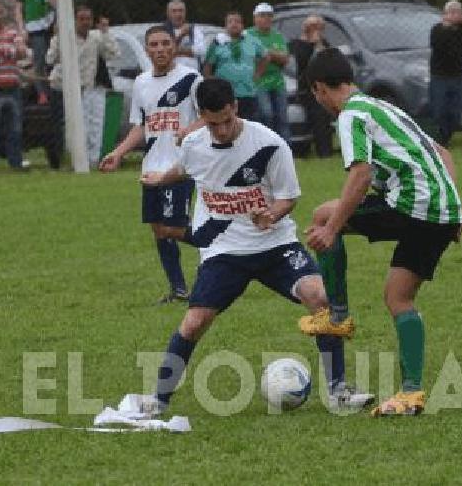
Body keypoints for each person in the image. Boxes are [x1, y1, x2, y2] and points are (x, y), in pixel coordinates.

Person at [133, 78, 374, 415]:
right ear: (201, 116)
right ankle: (158, 400)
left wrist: (271, 214)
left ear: (236, 107)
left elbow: (288, 196)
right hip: (224, 251)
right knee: (194, 322)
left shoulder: (269, 144)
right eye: (212, 123)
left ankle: (338, 391)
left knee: (321, 298)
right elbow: (185, 169)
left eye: (226, 121)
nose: (220, 131)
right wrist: (161, 178)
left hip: (274, 245)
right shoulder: (193, 144)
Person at [300, 48, 462, 417]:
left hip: (410, 205)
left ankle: (338, 315)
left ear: (318, 90)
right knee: (399, 298)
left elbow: (360, 175)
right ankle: (411, 394)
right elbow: (442, 152)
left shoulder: (352, 115)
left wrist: (332, 229)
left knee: (322, 215)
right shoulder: (384, 108)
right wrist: (454, 209)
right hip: (440, 211)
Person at [98, 26, 203, 304]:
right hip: (151, 167)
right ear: (147, 50)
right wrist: (118, 153)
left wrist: (188, 130)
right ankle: (178, 290)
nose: (160, 49)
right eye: (154, 44)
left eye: (165, 43)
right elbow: (141, 126)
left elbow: (210, 116)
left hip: (179, 166)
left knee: (172, 227)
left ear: (174, 47)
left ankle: (217, 243)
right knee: (159, 229)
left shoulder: (191, 79)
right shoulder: (142, 82)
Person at [46, 5, 119, 167]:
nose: (85, 22)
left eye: (88, 19)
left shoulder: (95, 38)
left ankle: (92, 161)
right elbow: (50, 59)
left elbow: (113, 54)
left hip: (87, 88)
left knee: (92, 126)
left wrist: (106, 32)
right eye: (81, 19)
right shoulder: (65, 37)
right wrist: (57, 37)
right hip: (62, 88)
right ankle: (66, 160)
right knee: (66, 127)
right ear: (74, 20)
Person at [428, 0, 462, 147]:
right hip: (439, 77)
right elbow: (436, 44)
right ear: (445, 14)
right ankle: (438, 141)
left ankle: (446, 138)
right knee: (439, 111)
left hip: (457, 76)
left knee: (455, 113)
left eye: (458, 12)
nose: (455, 15)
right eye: (451, 12)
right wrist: (447, 27)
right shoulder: (438, 30)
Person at [203, 11, 267, 122]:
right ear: (225, 26)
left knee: (249, 125)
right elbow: (208, 66)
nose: (234, 24)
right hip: (225, 95)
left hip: (248, 92)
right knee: (227, 124)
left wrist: (258, 74)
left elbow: (265, 57)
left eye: (237, 21)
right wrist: (211, 84)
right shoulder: (217, 43)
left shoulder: (252, 41)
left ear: (242, 25)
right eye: (230, 22)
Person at [287, 15, 334, 158]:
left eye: (318, 27)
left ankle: (325, 150)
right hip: (305, 89)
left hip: (322, 87)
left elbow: (326, 59)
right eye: (313, 26)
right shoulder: (297, 44)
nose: (316, 29)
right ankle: (319, 150)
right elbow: (302, 62)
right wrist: (311, 44)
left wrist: (318, 43)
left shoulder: (323, 43)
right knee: (318, 112)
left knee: (324, 115)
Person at [0, 0, 31, 171]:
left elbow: (22, 52)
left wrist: (0, 51)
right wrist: (9, 51)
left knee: (15, 128)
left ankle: (16, 164)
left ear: (2, 15)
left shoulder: (12, 33)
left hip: (13, 87)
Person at [246, 3, 291, 143]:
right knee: (266, 114)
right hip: (258, 81)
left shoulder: (277, 36)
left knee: (282, 118)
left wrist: (267, 53)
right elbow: (250, 57)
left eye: (269, 16)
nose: (266, 19)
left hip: (277, 82)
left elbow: (285, 59)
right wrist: (272, 55)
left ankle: (286, 149)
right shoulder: (248, 35)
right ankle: (266, 146)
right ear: (255, 18)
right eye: (262, 16)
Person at [18, 0, 56, 104]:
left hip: (50, 27)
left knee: (53, 60)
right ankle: (42, 93)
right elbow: (18, 9)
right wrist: (22, 29)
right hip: (34, 29)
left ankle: (53, 91)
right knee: (39, 61)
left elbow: (55, 4)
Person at [163, 0, 207, 71]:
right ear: (168, 13)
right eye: (174, 11)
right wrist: (181, 36)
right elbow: (165, 52)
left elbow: (202, 51)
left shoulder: (194, 29)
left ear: (185, 12)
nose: (178, 14)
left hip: (192, 74)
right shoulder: (162, 30)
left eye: (181, 11)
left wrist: (177, 52)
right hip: (170, 74)